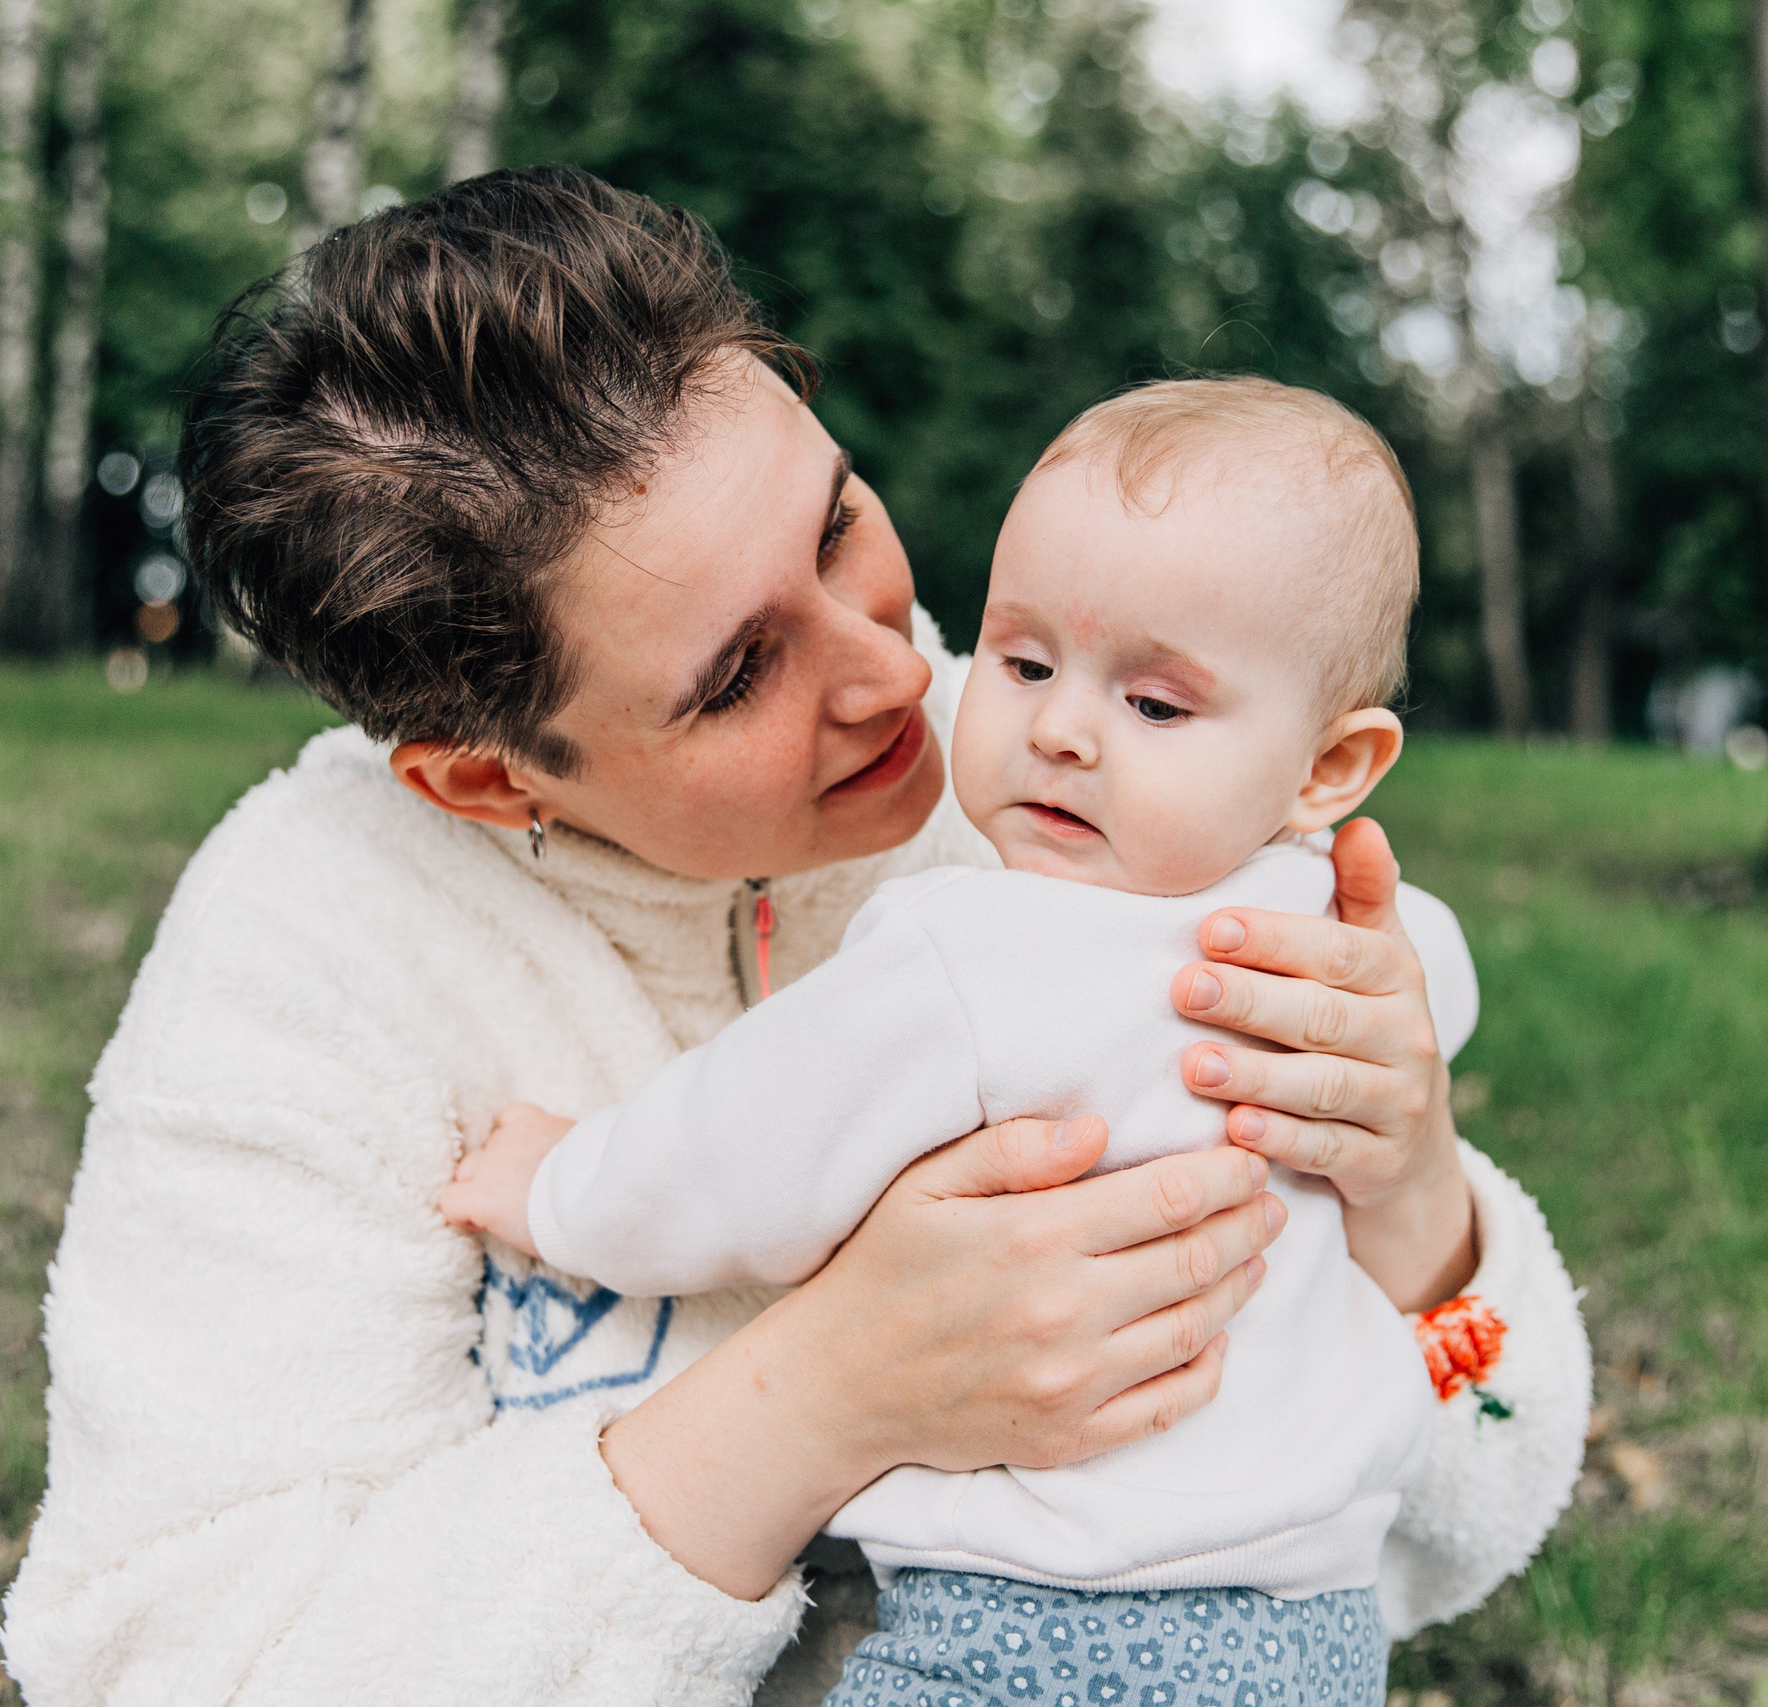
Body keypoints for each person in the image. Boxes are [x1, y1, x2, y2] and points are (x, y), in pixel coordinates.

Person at [0, 168, 1589, 1707]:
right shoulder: (310, 967)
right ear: (489, 779)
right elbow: (180, 1666)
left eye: (838, 527)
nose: (899, 676)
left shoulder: (1078, 814)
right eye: (736, 674)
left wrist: (1422, 1209)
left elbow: (1469, 1493)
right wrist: (819, 1396)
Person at [445, 375, 1490, 1707]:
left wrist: (556, 1189)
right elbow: (1431, 995)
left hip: (1037, 1631)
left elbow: (747, 1145)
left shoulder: (971, 956)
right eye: (1025, 662)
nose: (1059, 728)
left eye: (1155, 708)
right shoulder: (1350, 941)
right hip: (1324, 1629)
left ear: (1328, 771)